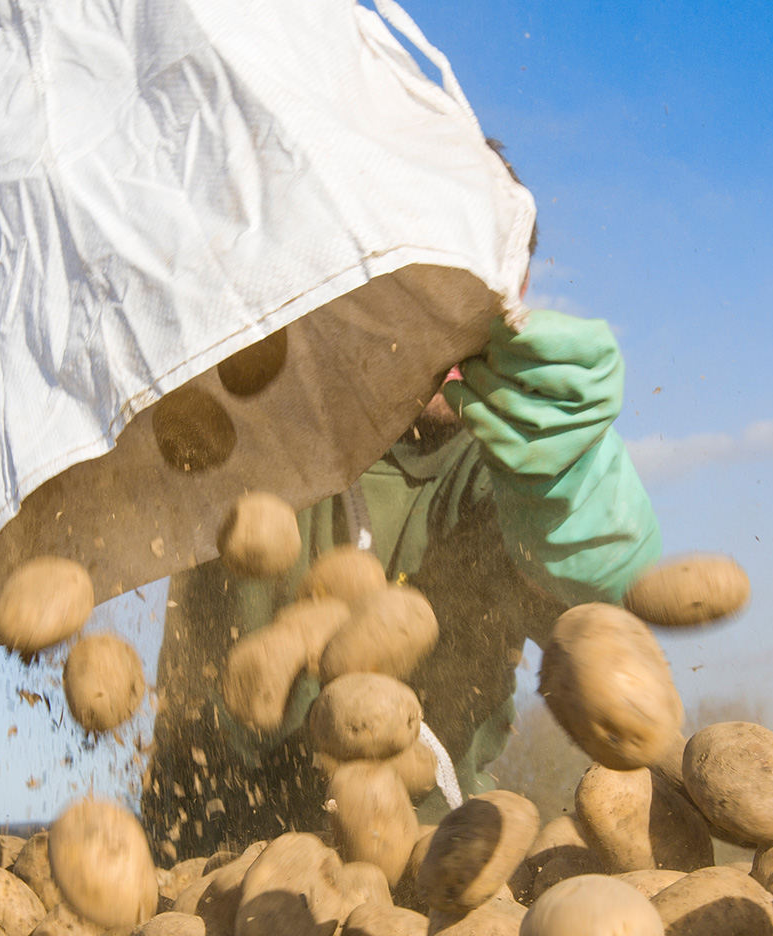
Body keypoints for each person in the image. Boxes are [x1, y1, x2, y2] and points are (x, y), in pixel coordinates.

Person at [137, 213, 660, 857]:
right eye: (426, 290)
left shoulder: (510, 473)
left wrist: (572, 488)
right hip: (192, 869)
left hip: (425, 876)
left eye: (484, 296)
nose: (451, 329)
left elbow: (604, 618)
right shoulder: (243, 421)